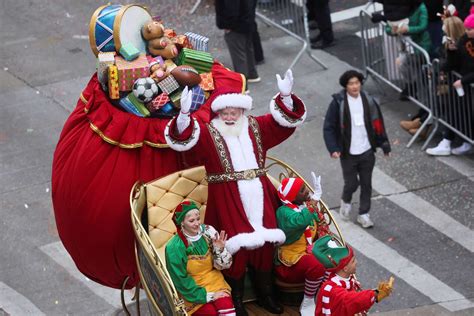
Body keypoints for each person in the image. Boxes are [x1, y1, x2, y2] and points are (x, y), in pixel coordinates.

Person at [164, 70, 307, 315]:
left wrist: (285, 97)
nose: (230, 117)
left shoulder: (256, 126)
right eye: (225, 112)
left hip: (261, 198)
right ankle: (237, 300)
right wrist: (184, 115)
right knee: (234, 250)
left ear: (243, 110)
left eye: (235, 111)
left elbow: (282, 125)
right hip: (226, 198)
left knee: (265, 248)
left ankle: (266, 295)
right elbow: (184, 141)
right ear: (218, 112)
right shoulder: (208, 133)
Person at [323, 70, 391, 228]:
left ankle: (364, 214)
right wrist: (333, 148)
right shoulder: (338, 103)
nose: (354, 86)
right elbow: (329, 127)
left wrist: (384, 144)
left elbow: (378, 124)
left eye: (357, 83)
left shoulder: (369, 101)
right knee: (352, 183)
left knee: (366, 184)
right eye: (351, 83)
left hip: (367, 151)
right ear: (346, 86)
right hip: (348, 153)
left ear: (360, 84)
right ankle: (346, 201)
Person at [165, 201, 235, 315]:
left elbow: (224, 266)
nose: (197, 224)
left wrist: (220, 249)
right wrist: (208, 296)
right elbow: (180, 280)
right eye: (191, 221)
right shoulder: (174, 248)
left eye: (198, 218)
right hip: (191, 289)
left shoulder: (208, 231)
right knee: (210, 313)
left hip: (214, 280)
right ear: (182, 223)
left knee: (226, 308)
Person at [274, 175, 330, 315]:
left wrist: (322, 246)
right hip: (291, 261)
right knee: (316, 263)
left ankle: (327, 295)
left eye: (305, 187)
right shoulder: (283, 212)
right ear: (293, 196)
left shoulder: (306, 206)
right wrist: (314, 200)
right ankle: (308, 300)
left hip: (311, 252)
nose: (307, 191)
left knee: (340, 255)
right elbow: (300, 221)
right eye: (302, 190)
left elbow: (322, 225)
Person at [426, 13, 474, 156]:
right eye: (466, 29)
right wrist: (451, 50)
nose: (467, 31)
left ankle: (452, 141)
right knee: (457, 112)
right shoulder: (464, 40)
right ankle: (452, 141)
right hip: (462, 84)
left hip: (466, 83)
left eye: (470, 29)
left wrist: (463, 80)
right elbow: (451, 64)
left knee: (461, 113)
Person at [313, 235, 394, 315]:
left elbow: (355, 299)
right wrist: (375, 293)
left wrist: (376, 292)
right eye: (353, 261)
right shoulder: (332, 289)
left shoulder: (348, 279)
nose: (356, 262)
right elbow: (352, 300)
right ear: (345, 268)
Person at [215, 0, 261, 83]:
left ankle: (242, 84)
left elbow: (231, 8)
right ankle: (252, 74)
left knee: (239, 57)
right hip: (248, 20)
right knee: (248, 50)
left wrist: (227, 25)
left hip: (236, 26)